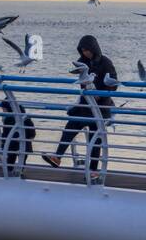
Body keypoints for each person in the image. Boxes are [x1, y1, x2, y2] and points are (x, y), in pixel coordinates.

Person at [44, 35, 118, 170]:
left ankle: (93, 170)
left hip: (101, 106)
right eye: (83, 50)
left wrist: (99, 96)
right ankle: (57, 157)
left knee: (95, 138)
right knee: (70, 126)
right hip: (85, 105)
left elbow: (114, 84)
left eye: (87, 50)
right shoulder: (81, 61)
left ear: (94, 48)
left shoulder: (106, 62)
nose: (85, 53)